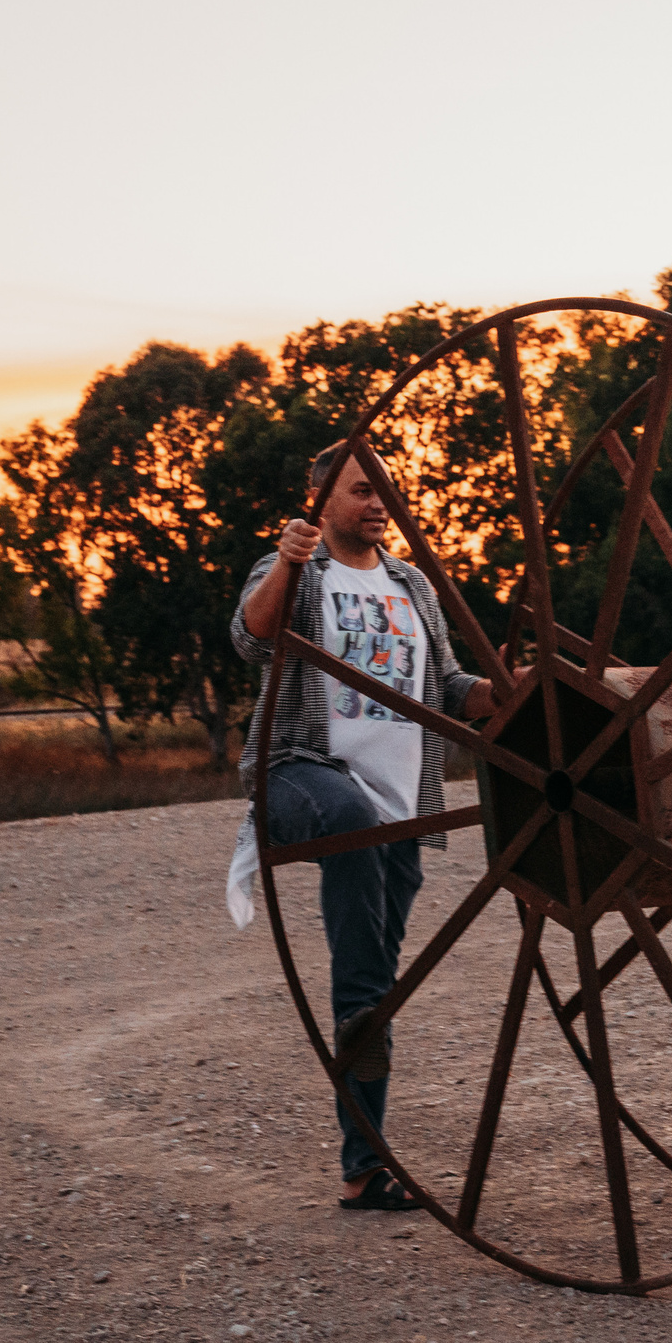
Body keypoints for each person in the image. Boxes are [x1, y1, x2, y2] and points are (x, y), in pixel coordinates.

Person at [231, 440, 512, 1210]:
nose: (378, 503)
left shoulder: (411, 583)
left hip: (400, 805)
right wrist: (289, 562)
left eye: (386, 490)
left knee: (374, 990)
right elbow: (252, 638)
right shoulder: (296, 566)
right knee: (352, 841)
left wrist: (503, 691)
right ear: (320, 497)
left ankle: (364, 1167)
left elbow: (448, 687)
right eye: (361, 490)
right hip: (300, 771)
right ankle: (360, 1028)